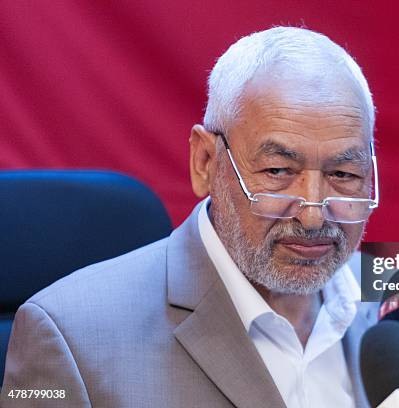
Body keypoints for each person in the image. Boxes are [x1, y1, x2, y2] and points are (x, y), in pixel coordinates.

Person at [1, 26, 379, 407]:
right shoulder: (66, 336)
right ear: (205, 163)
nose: (313, 217)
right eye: (277, 172)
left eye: (343, 175)